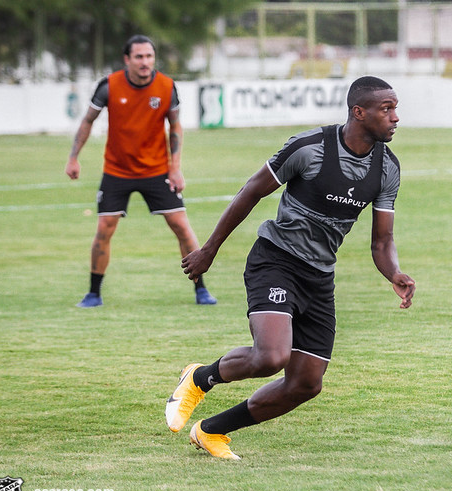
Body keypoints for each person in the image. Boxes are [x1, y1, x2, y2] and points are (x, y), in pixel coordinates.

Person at [165, 76, 415, 459]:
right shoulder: (309, 148)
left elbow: (382, 241)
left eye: (396, 108)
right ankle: (200, 377)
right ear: (358, 112)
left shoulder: (387, 169)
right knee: (271, 357)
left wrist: (394, 272)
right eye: (387, 109)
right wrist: (208, 250)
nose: (395, 117)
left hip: (319, 277)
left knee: (305, 384)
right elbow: (251, 191)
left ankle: (210, 431)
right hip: (276, 260)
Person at [65, 34, 216, 307]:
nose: (145, 62)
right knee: (104, 228)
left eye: (149, 56)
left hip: (157, 170)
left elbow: (176, 127)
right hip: (117, 171)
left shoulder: (167, 87)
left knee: (181, 226)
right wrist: (73, 157)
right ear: (127, 59)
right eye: (139, 57)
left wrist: (176, 168)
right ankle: (93, 293)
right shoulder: (109, 86)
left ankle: (201, 289)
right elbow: (88, 120)